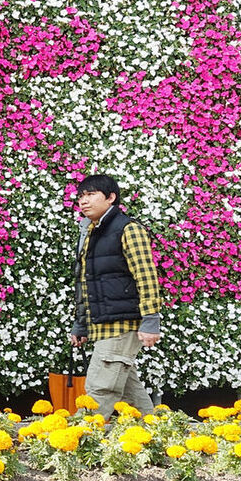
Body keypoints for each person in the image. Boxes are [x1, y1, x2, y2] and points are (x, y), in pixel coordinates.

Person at [69, 174, 161, 416]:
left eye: (91, 195)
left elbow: (146, 276)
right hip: (105, 324)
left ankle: (77, 445)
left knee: (100, 388)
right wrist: (81, 324)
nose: (83, 201)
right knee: (130, 393)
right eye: (81, 196)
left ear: (111, 198)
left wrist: (151, 320)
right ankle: (159, 437)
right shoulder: (91, 232)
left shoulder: (129, 229)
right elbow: (86, 282)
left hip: (122, 323)